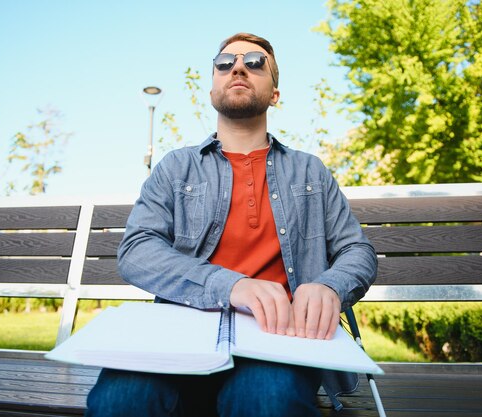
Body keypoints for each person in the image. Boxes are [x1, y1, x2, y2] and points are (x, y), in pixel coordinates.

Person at [86, 32, 377, 417]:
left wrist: (330, 286)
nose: (238, 66)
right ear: (212, 90)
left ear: (275, 93)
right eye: (224, 63)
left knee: (267, 400)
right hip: (178, 336)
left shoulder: (310, 171)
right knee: (119, 401)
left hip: (276, 341)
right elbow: (137, 250)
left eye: (256, 62)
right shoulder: (177, 167)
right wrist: (230, 285)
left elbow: (357, 251)